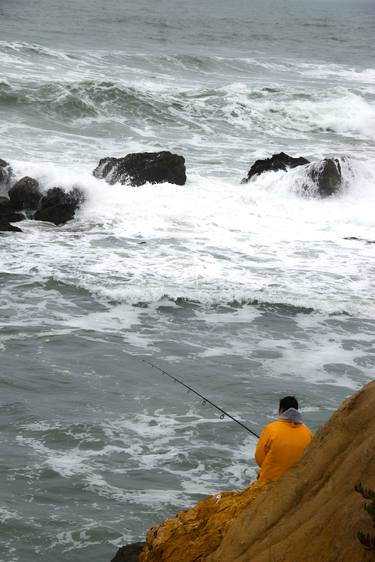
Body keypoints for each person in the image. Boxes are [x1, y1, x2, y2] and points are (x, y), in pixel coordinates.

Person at [255, 396, 313, 482]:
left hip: (270, 480)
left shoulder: (271, 429)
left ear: (281, 410)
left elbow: (259, 457)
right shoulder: (308, 432)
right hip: (295, 480)